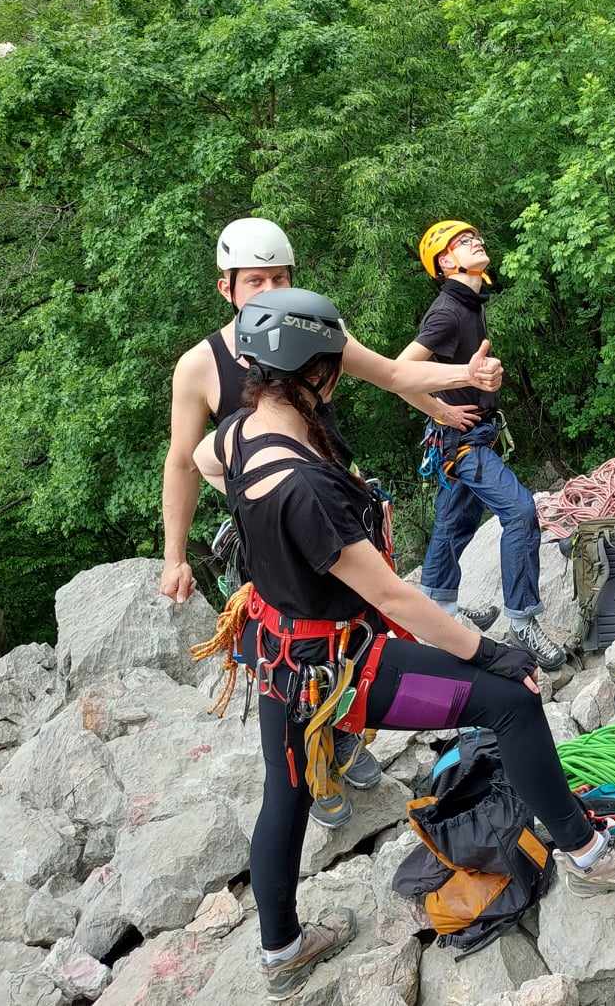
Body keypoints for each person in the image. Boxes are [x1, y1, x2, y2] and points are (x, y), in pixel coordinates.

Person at [190, 289, 615, 999]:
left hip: (277, 656)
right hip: (343, 669)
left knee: (286, 792)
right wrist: (492, 652)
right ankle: (587, 850)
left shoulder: (237, 435)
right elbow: (397, 599)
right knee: (511, 700)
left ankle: (281, 949)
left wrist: (275, 560)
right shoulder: (305, 492)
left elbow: (205, 463)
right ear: (314, 372)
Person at [160, 216, 501, 829]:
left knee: (360, 631)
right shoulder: (201, 366)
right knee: (303, 648)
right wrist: (175, 554)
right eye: (254, 281)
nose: (269, 290)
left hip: (334, 505)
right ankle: (313, 767)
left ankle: (344, 738)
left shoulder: (311, 329)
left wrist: (462, 377)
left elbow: (395, 375)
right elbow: (186, 460)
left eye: (280, 277)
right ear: (226, 288)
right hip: (278, 530)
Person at [403, 220, 566, 670]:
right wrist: (440, 410)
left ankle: (439, 614)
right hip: (462, 440)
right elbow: (400, 372)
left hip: (469, 436)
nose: (475, 242)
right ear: (445, 263)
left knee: (453, 525)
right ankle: (523, 621)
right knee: (519, 511)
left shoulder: (470, 303)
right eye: (462, 242)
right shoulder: (448, 311)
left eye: (475, 237)